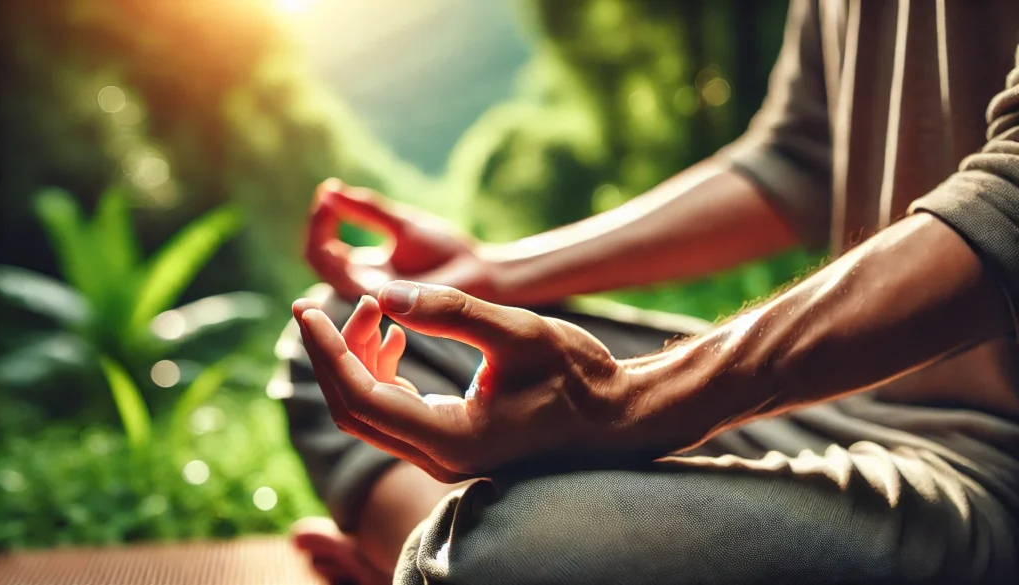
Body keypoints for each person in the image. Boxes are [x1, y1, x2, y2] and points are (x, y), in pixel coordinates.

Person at [276, 1, 1019, 582]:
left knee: (502, 554)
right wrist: (499, 273)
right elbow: (799, 156)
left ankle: (410, 551)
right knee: (337, 328)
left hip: (992, 464)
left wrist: (633, 400)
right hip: (837, 395)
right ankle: (417, 554)